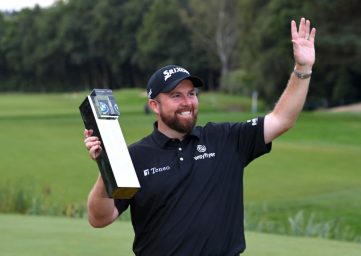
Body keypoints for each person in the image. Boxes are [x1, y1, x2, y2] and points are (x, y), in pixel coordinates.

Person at [84, 17, 316, 255]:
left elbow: (282, 119)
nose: (187, 102)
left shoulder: (225, 139)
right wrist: (107, 167)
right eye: (176, 96)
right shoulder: (136, 157)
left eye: (191, 93)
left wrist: (303, 69)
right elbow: (100, 218)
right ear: (154, 105)